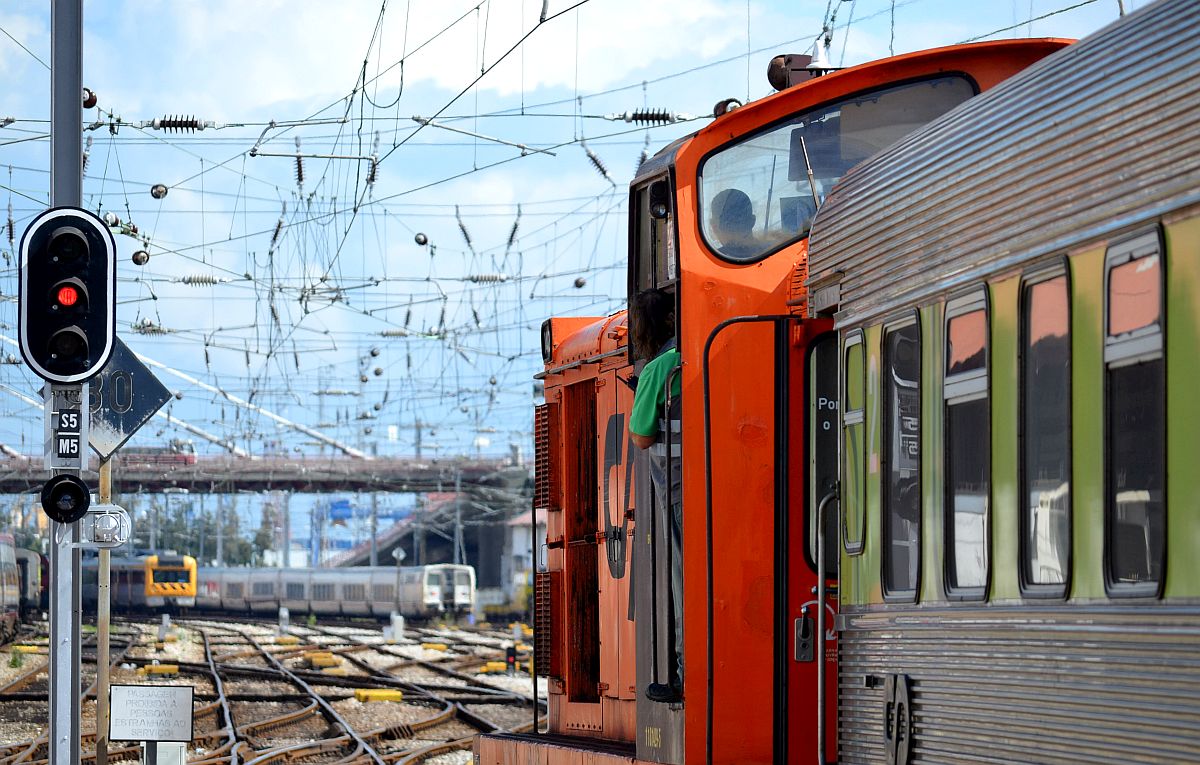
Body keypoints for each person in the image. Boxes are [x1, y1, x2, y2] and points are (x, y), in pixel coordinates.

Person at [627, 288, 684, 703]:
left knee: (683, 581)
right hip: (711, 477)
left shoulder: (658, 369)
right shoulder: (692, 354)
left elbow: (643, 436)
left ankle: (683, 673)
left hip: (679, 487)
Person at [709, 187, 761, 260]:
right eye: (727, 224)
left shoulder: (710, 261)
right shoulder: (774, 250)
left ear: (714, 227)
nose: (734, 230)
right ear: (752, 221)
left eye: (739, 222)